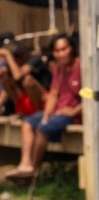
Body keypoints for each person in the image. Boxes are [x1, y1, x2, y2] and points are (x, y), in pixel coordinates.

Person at [7, 33, 81, 179]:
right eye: (57, 51)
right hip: (57, 110)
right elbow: (53, 94)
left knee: (43, 128)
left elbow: (92, 96)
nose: (61, 54)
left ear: (72, 49)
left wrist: (73, 111)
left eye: (64, 49)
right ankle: (25, 163)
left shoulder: (82, 66)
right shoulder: (59, 69)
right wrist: (46, 115)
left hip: (73, 114)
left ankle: (32, 170)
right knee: (27, 123)